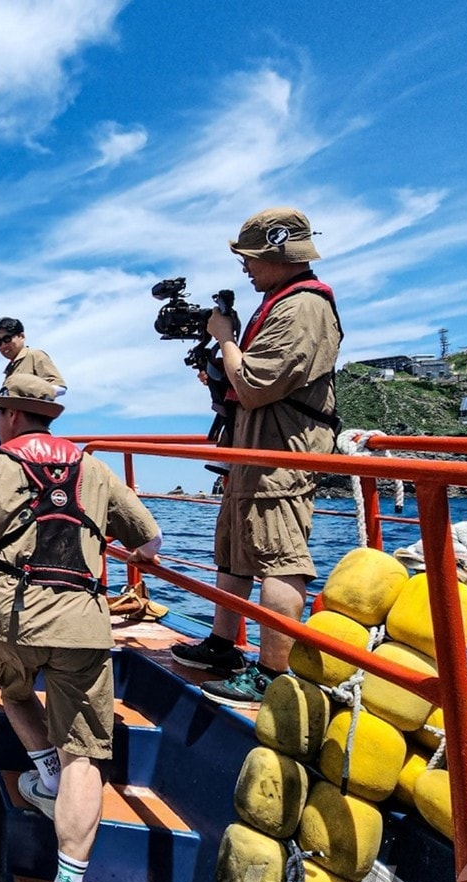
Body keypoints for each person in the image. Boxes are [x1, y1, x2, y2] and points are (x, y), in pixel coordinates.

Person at [0, 373, 162, 882]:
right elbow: (151, 541)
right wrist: (122, 550)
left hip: (12, 618)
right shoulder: (92, 469)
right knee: (85, 751)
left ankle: (44, 776)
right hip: (83, 623)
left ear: (13, 416)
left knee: (12, 694)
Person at [170, 207, 343, 707]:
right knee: (235, 548)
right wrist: (220, 370)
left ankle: (273, 675)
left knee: (278, 556)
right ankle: (223, 646)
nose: (245, 266)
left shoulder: (304, 308)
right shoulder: (281, 304)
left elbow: (257, 384)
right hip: (253, 450)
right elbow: (244, 384)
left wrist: (225, 340)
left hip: (280, 453)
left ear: (278, 253)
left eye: (251, 257)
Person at [0, 317, 66, 395]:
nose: (3, 345)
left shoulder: (34, 355)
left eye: (7, 339)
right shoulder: (10, 371)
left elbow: (60, 387)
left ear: (22, 336)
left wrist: (37, 395)